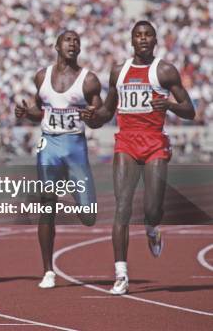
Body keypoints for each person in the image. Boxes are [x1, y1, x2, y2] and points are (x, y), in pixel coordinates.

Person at [81, 21, 195, 295]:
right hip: (127, 142)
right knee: (122, 207)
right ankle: (121, 274)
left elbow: (189, 110)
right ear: (131, 41)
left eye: (148, 35)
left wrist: (168, 104)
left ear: (155, 40)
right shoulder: (119, 72)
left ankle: (153, 227)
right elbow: (108, 112)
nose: (143, 40)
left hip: (154, 141)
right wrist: (92, 119)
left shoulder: (164, 71)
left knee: (153, 208)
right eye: (138, 36)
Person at [15, 30, 101, 289]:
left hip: (75, 147)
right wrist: (25, 113)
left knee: (89, 216)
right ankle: (48, 270)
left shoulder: (89, 80)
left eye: (77, 40)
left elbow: (98, 117)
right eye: (68, 40)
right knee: (47, 207)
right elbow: (38, 112)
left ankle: (74, 192)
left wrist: (92, 117)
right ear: (56, 46)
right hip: (49, 146)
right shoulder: (42, 76)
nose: (73, 44)